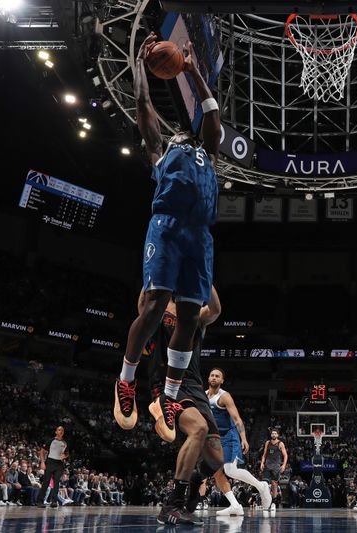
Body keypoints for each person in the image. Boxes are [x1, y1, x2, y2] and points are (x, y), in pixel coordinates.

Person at [114, 31, 221, 442]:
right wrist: (141, 66)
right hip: (168, 226)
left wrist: (193, 73)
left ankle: (171, 396)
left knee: (191, 317)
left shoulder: (207, 151)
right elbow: (143, 106)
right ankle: (126, 379)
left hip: (200, 235)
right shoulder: (161, 151)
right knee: (157, 305)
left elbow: (212, 115)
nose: (181, 131)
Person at [144, 287, 228, 525]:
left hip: (194, 385)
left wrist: (205, 272)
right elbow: (142, 305)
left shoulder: (196, 315)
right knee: (198, 429)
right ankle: (172, 505)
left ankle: (191, 488)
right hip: (169, 381)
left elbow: (216, 309)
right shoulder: (157, 308)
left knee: (216, 459)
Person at [207, 367, 272, 512]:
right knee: (217, 472)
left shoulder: (224, 396)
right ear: (208, 378)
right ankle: (235, 506)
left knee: (230, 470)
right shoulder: (204, 396)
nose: (214, 378)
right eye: (212, 375)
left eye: (217, 376)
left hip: (229, 436)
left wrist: (243, 438)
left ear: (222, 380)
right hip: (214, 439)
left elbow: (237, 419)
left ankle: (261, 486)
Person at [37, 425, 69, 508]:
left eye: (62, 430)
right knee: (46, 482)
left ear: (63, 433)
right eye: (59, 430)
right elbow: (42, 451)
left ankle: (54, 502)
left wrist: (64, 456)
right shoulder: (51, 441)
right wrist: (42, 462)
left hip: (59, 464)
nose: (60, 431)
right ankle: (40, 501)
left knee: (56, 482)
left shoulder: (64, 443)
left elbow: (67, 454)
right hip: (50, 462)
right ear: (56, 432)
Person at [260, 429, 288, 510]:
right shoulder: (267, 443)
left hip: (276, 466)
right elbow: (264, 454)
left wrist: (283, 465)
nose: (273, 435)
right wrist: (262, 463)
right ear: (271, 435)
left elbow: (285, 455)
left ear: (277, 435)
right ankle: (266, 501)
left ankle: (273, 503)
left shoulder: (280, 443)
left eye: (275, 433)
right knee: (265, 483)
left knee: (274, 484)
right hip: (267, 465)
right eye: (272, 433)